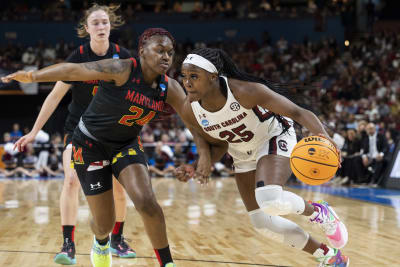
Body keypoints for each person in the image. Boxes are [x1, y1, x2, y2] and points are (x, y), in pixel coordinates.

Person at [3, 28, 211, 267]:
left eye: (170, 52)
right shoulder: (122, 68)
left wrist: (204, 155)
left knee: (146, 201)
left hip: (125, 143)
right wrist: (32, 77)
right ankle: (101, 242)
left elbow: (193, 122)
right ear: (142, 51)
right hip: (90, 143)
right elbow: (73, 71)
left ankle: (167, 263)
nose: (166, 56)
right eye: (160, 50)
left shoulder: (169, 88)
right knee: (104, 222)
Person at [175, 48, 350, 267]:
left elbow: (297, 112)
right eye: (184, 76)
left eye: (194, 76)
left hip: (273, 135)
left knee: (270, 199)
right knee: (261, 221)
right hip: (241, 152)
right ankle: (328, 255)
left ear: (213, 77)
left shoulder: (244, 91)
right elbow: (219, 144)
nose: (187, 83)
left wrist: (324, 136)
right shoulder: (189, 109)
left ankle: (320, 212)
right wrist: (196, 166)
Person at [13, 4, 136, 265]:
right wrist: (34, 131)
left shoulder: (123, 57)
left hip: (112, 132)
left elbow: (134, 97)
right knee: (70, 180)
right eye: (96, 23)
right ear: (87, 29)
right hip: (78, 130)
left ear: (110, 26)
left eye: (105, 22)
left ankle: (117, 239)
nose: (101, 27)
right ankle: (68, 244)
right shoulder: (78, 57)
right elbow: (55, 96)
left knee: (119, 188)